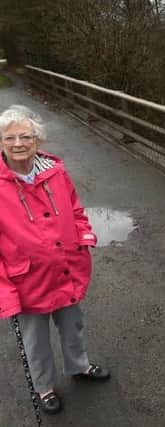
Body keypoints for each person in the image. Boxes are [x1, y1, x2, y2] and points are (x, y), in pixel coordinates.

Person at [0, 105, 110, 416]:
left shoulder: (56, 172)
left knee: (72, 325)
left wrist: (84, 237)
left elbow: (75, 210)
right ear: (1, 142)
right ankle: (44, 387)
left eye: (26, 136)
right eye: (10, 138)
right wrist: (5, 294)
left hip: (65, 268)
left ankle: (79, 366)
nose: (18, 143)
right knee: (36, 342)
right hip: (26, 281)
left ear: (38, 140)